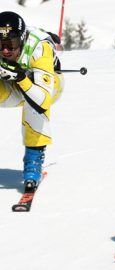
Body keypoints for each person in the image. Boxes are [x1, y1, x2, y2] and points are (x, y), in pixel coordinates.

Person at [0, 11, 64, 189]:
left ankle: (33, 161)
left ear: (21, 39)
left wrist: (20, 77)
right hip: (13, 86)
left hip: (48, 86)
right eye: (1, 45)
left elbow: (42, 101)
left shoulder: (38, 48)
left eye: (11, 45)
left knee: (33, 103)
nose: (5, 51)